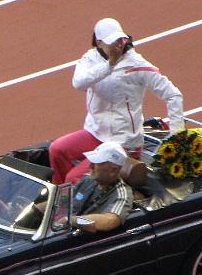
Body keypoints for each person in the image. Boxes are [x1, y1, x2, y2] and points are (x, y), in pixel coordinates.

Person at [49, 17, 184, 184]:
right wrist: (109, 65)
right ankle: (60, 198)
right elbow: (78, 83)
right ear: (99, 43)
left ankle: (75, 201)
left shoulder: (137, 65)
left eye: (120, 39)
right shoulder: (90, 59)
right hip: (95, 133)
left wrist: (177, 137)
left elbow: (173, 95)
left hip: (123, 141)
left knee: (74, 177)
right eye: (112, 41)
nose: (118, 45)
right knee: (57, 150)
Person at [68, 141, 133, 233]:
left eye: (96, 163)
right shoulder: (87, 179)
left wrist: (70, 220)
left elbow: (109, 221)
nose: (90, 166)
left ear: (113, 170)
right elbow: (64, 200)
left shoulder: (122, 194)